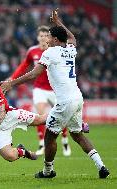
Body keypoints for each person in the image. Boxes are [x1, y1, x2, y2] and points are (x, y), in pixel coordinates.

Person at [1, 8, 110, 179]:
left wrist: (11, 83)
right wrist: (58, 22)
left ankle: (48, 171)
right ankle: (101, 166)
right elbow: (72, 38)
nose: (47, 39)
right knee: (77, 135)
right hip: (77, 98)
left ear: (55, 39)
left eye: (50, 36)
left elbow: (34, 74)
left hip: (66, 101)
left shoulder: (50, 52)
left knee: (49, 137)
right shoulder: (70, 50)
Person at [9, 25, 71, 156]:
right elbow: (24, 66)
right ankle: (42, 143)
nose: (43, 38)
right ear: (37, 37)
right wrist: (12, 79)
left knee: (62, 114)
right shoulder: (32, 51)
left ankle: (65, 139)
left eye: (45, 35)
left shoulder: (54, 50)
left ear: (49, 37)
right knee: (40, 115)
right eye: (41, 36)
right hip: (39, 89)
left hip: (55, 88)